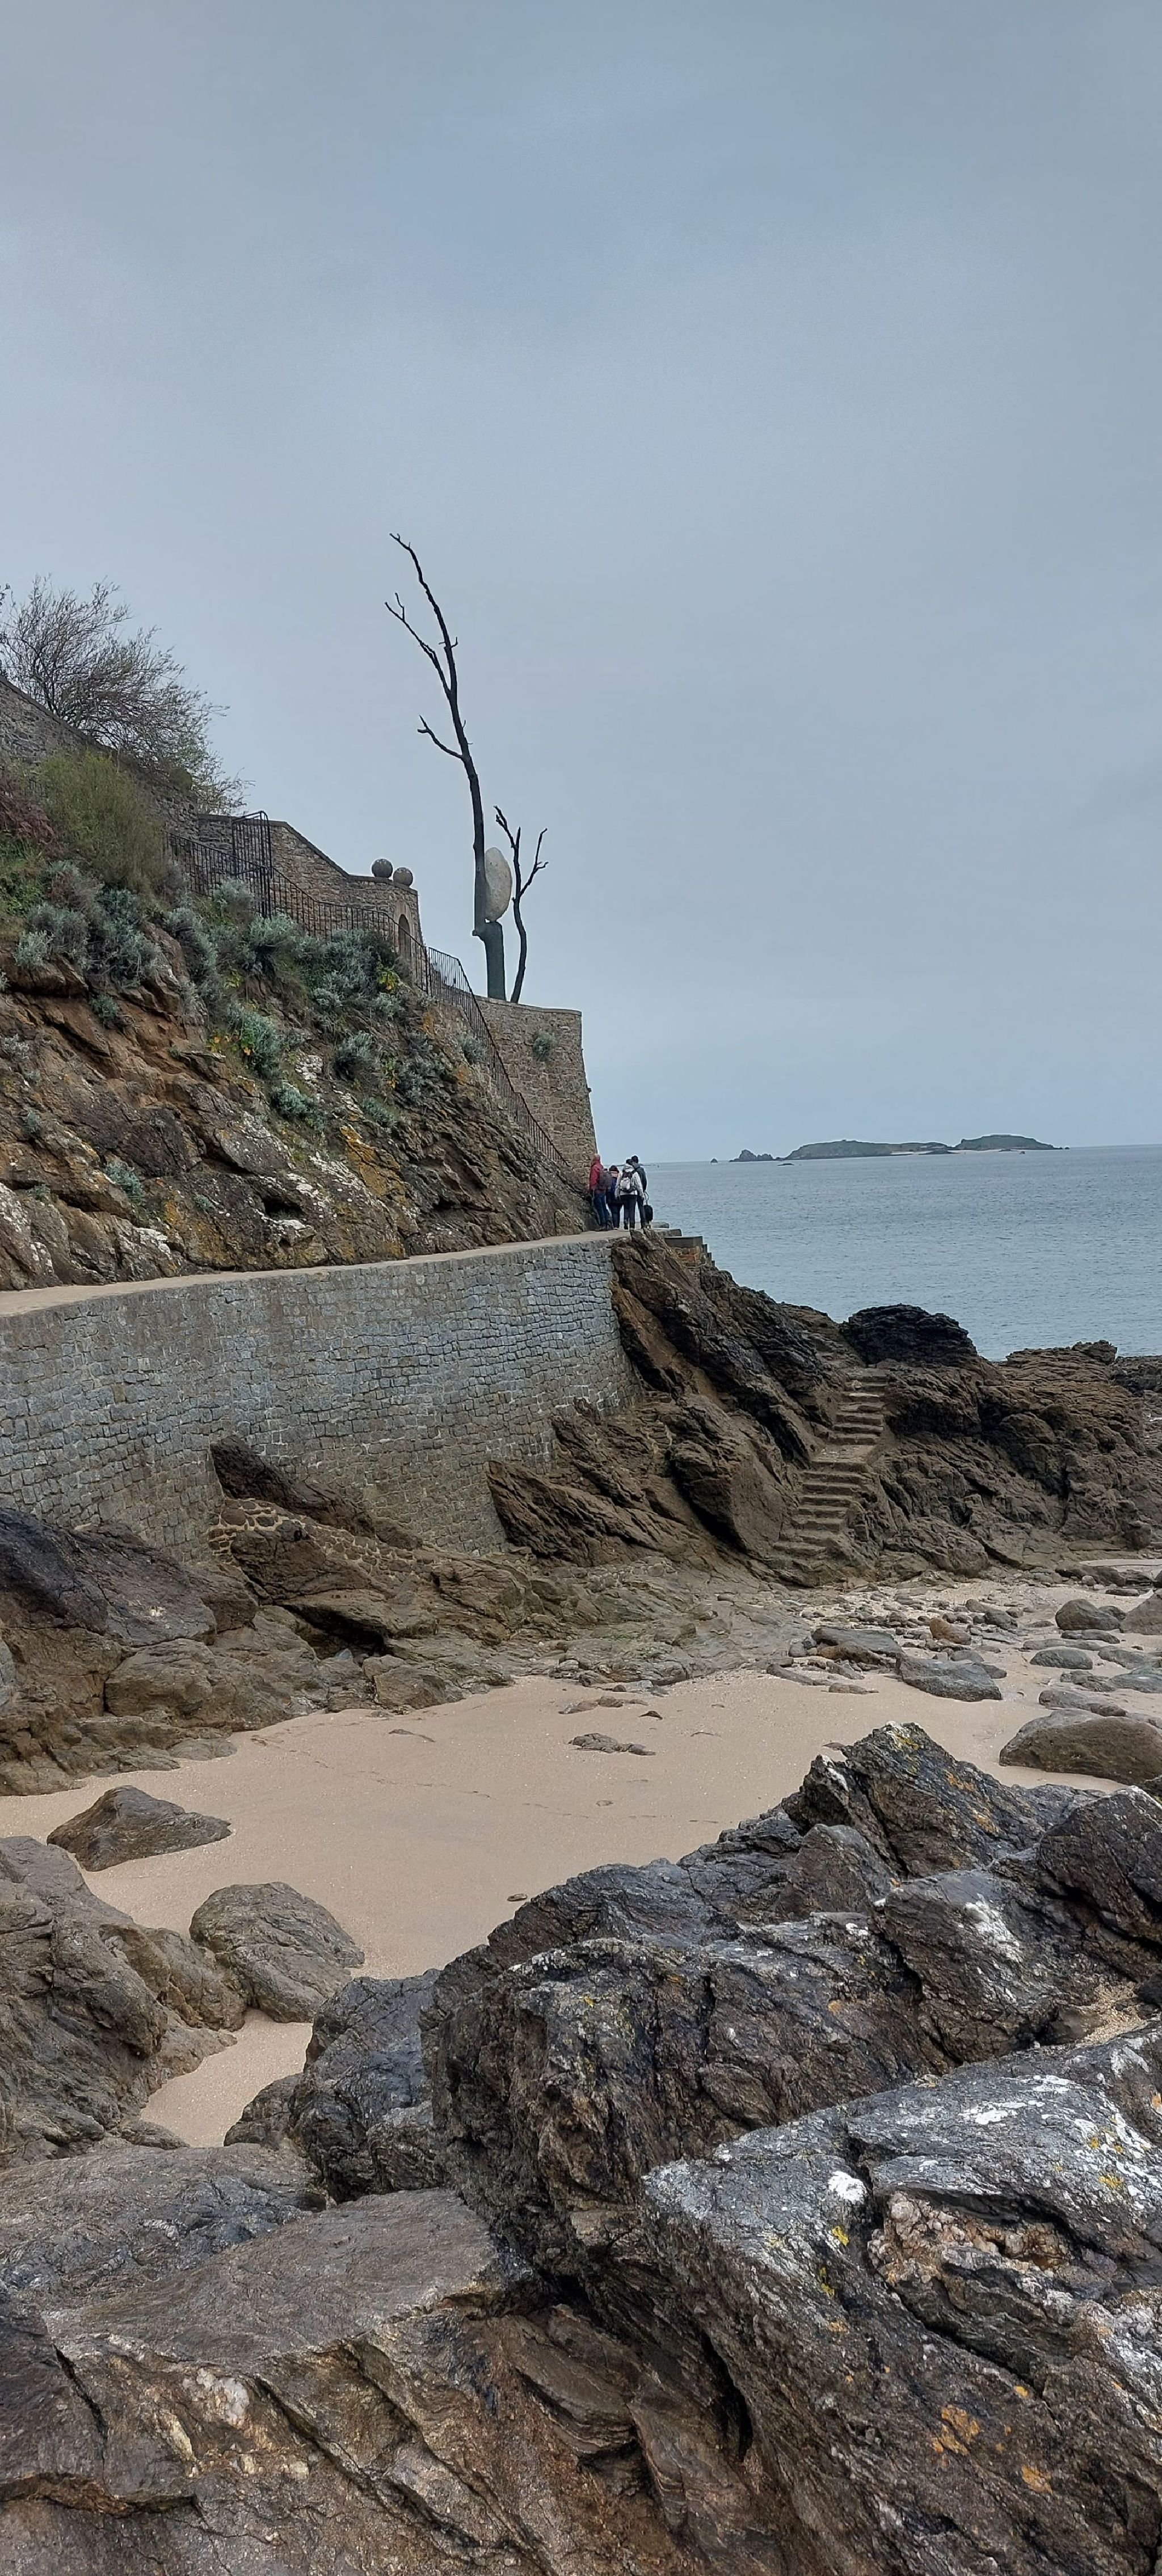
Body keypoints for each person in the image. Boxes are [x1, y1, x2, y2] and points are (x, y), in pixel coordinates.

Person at [616, 1160, 645, 1230]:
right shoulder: (634, 1173)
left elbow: (618, 1184)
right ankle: (632, 1225)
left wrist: (617, 1194)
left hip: (623, 1194)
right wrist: (642, 1194)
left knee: (626, 1208)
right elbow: (639, 1185)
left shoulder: (622, 1173)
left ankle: (626, 1220)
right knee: (632, 1209)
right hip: (633, 1194)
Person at [588, 1153, 611, 1227]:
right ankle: (607, 1223)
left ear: (594, 1159)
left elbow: (593, 1180)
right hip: (603, 1190)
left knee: (600, 1208)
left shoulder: (595, 1168)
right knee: (604, 1207)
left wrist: (591, 1189)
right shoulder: (601, 1167)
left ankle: (603, 1224)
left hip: (597, 1190)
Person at [604, 1163, 621, 1227]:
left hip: (610, 1196)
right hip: (619, 1197)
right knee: (618, 1212)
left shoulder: (608, 1177)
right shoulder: (620, 1177)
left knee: (614, 1212)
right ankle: (618, 1225)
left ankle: (615, 1225)